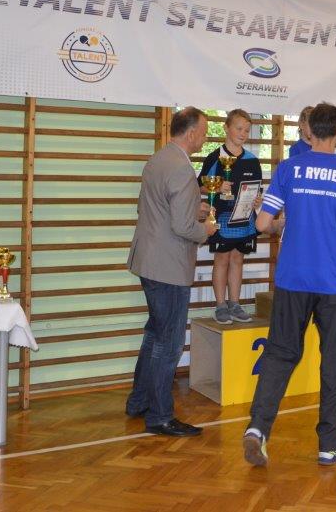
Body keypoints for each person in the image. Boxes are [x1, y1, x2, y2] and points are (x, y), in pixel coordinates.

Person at [243, 103, 336, 467]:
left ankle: (257, 428)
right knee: (334, 360)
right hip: (332, 281)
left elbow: (262, 224)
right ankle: (329, 444)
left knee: (279, 353)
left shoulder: (288, 169)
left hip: (292, 277)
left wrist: (285, 223)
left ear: (308, 131)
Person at [125, 107, 217, 437]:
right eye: (203, 133)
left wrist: (194, 208)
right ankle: (160, 416)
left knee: (155, 334)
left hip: (148, 260)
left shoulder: (158, 159)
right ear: (191, 133)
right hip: (168, 266)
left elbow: (153, 207)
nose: (204, 138)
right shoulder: (181, 168)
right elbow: (182, 227)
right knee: (169, 342)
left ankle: (139, 401)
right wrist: (205, 228)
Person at [198, 108, 262, 325]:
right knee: (222, 259)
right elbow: (200, 185)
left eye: (246, 130)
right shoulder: (214, 157)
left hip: (244, 218)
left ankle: (235, 303)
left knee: (238, 259)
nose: (243, 133)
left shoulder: (252, 160)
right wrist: (216, 188)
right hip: (222, 217)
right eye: (238, 128)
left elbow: (256, 189)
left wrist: (257, 201)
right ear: (226, 128)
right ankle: (220, 305)